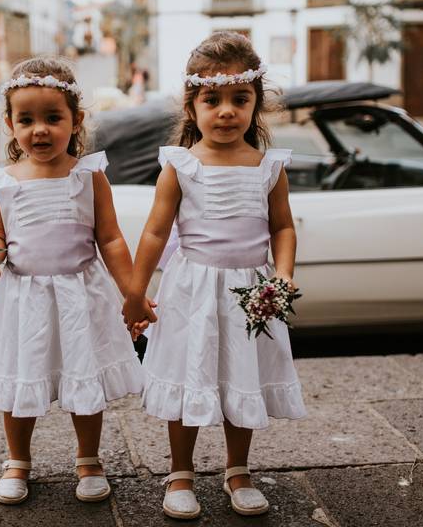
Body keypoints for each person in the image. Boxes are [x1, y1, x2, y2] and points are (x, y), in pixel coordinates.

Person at [123, 32, 307, 519]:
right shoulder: (180, 166)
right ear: (191, 106)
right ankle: (180, 472)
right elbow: (156, 233)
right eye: (213, 100)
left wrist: (282, 275)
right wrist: (136, 293)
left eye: (240, 100)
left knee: (238, 374)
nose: (226, 111)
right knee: (191, 375)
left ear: (256, 104)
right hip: (192, 289)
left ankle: (237, 469)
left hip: (250, 292)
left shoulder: (269, 166)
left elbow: (282, 226)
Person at [0, 56, 147, 505]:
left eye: (52, 118)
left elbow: (111, 239)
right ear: (9, 124)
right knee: (18, 378)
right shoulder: (4, 182)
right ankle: (17, 461)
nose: (39, 130)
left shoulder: (88, 175)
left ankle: (88, 460)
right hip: (23, 297)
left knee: (84, 380)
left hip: (79, 295)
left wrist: (134, 294)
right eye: (26, 120)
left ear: (75, 120)